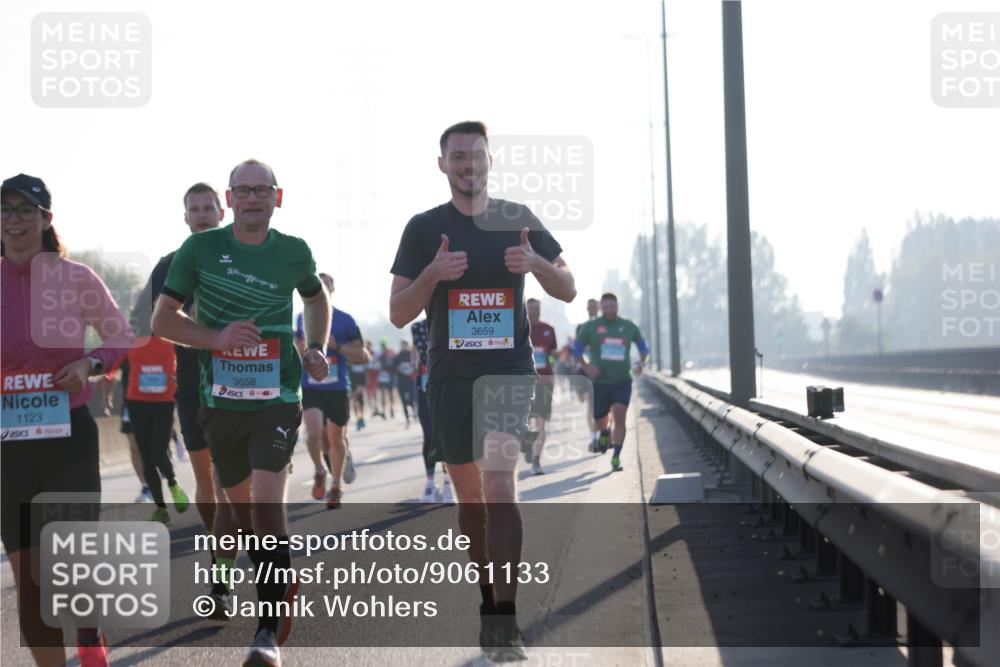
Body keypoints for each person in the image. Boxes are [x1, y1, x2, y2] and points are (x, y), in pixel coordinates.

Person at [389, 121, 575, 659]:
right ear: (442, 164)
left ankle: (504, 618)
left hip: (509, 372)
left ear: (490, 160)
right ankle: (486, 596)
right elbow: (399, 313)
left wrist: (536, 263)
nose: (469, 165)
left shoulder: (517, 220)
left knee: (500, 487)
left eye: (477, 155)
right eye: (458, 157)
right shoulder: (423, 229)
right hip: (449, 378)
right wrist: (433, 274)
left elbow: (568, 284)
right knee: (472, 501)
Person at [152, 159, 331, 667]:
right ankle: (277, 578)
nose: (253, 198)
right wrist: (216, 339)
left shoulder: (295, 252)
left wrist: (316, 345)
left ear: (279, 197)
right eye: (243, 191)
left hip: (277, 398)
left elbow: (318, 301)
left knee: (268, 504)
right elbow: (163, 319)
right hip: (219, 402)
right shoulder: (199, 250)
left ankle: (266, 632)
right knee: (244, 509)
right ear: (229, 201)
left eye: (262, 190)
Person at [2, 173, 134, 667]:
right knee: (30, 581)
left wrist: (90, 365)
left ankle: (88, 629)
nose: (13, 220)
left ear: (45, 219)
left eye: (24, 210)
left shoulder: (75, 277)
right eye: (6, 210)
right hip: (8, 448)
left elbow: (121, 337)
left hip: (67, 439)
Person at [133, 182, 238, 616]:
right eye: (193, 209)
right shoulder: (169, 265)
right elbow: (145, 323)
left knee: (239, 484)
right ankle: (221, 572)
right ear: (186, 218)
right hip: (194, 381)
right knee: (208, 480)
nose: (201, 214)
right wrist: (186, 323)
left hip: (247, 378)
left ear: (221, 212)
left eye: (207, 207)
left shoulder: (245, 255)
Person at [293, 273, 369, 509]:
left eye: (326, 285)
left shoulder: (346, 320)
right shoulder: (300, 318)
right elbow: (296, 347)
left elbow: (363, 356)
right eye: (318, 284)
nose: (322, 288)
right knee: (314, 433)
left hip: (336, 387)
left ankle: (336, 485)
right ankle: (319, 471)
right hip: (310, 385)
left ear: (332, 289)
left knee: (334, 436)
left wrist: (339, 347)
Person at [574, 292, 649, 472]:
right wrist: (586, 367)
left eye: (612, 306)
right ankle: (605, 432)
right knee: (600, 419)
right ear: (601, 307)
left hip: (622, 380)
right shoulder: (590, 327)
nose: (609, 310)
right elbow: (576, 349)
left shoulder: (628, 326)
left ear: (617, 306)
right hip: (600, 381)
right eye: (605, 307)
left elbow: (643, 346)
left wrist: (641, 363)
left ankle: (616, 456)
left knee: (619, 413)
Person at [123, 335, 190, 522]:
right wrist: (102, 373)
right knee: (146, 456)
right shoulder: (130, 339)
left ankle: (173, 483)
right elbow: (112, 360)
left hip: (163, 402)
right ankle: (161, 508)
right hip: (136, 401)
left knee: (157, 453)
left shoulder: (171, 335)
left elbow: (190, 356)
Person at [411, 318, 454, 503]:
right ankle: (430, 484)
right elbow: (423, 352)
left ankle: (447, 483)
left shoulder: (453, 320)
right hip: (425, 387)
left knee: (446, 435)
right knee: (429, 436)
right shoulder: (418, 327)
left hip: (449, 385)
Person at [525, 298, 558, 475]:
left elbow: (552, 354)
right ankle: (528, 443)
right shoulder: (520, 328)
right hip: (524, 384)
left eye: (537, 308)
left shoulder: (549, 329)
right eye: (531, 308)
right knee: (527, 421)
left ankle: (536, 461)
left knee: (541, 422)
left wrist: (553, 358)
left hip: (545, 382)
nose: (534, 311)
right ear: (526, 310)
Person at [392, 339, 416, 427]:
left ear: (407, 345)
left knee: (411, 398)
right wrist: (401, 370)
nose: (403, 347)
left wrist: (412, 369)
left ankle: (414, 410)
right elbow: (394, 367)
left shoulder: (412, 355)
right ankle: (407, 419)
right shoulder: (398, 356)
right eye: (401, 345)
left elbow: (416, 365)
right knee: (404, 401)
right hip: (401, 381)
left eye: (404, 345)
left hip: (411, 380)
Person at [376, 338, 397, 418]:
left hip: (390, 375)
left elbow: (395, 360)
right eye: (382, 345)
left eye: (384, 345)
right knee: (382, 393)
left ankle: (392, 408)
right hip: (382, 375)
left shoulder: (391, 352)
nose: (383, 347)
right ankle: (384, 410)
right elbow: (375, 360)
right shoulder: (379, 353)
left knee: (390, 393)